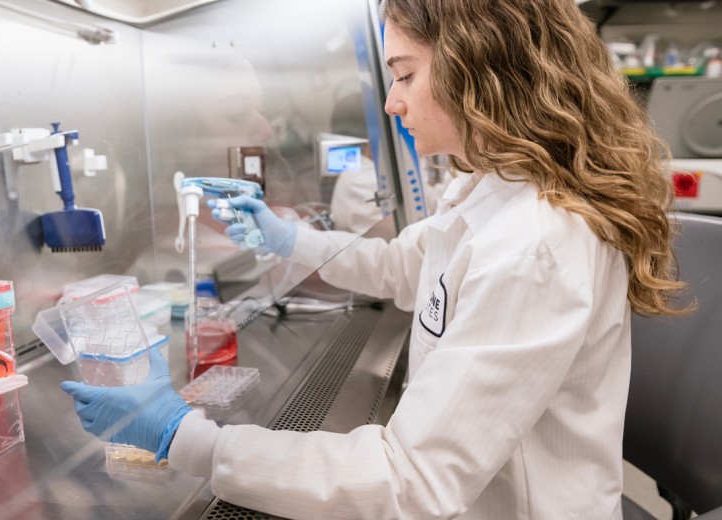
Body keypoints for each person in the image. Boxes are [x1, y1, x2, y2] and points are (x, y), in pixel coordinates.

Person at [61, 0, 691, 517]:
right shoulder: (489, 187)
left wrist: (183, 436)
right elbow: (399, 266)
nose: (393, 102)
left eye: (407, 74)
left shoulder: (536, 244)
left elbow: (409, 482)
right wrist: (284, 236)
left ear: (483, 66)